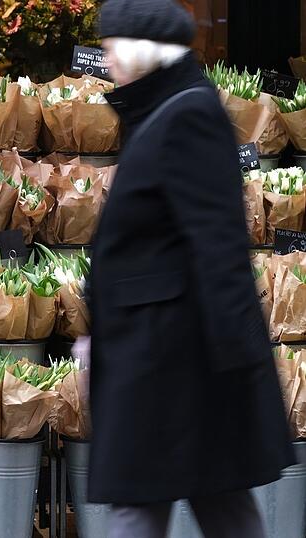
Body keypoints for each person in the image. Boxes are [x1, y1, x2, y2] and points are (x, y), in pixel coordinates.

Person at [86, 1, 295, 537]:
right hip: (168, 360)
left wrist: (238, 362)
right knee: (218, 504)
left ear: (139, 50)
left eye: (111, 48)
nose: (104, 60)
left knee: (145, 506)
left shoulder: (186, 113)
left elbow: (219, 244)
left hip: (176, 362)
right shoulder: (163, 110)